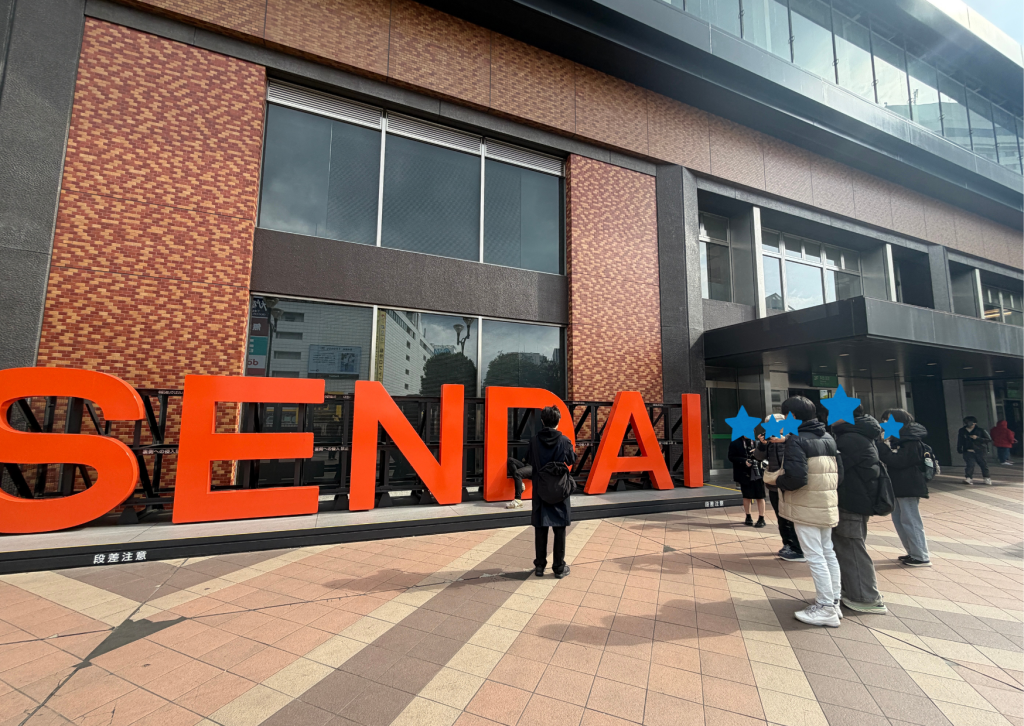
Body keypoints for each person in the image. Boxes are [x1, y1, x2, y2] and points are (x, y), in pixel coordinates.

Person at [777, 396, 844, 628]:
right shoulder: (828, 437)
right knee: (828, 552)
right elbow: (839, 474)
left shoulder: (796, 440)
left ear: (792, 416)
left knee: (815, 555)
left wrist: (778, 481)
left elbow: (796, 478)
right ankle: (834, 602)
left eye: (785, 415)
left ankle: (825, 608)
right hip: (827, 502)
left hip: (806, 504)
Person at [831, 406, 887, 614]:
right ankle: (854, 591)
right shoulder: (858, 434)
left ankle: (866, 597)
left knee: (851, 547)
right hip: (857, 499)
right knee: (848, 545)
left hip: (852, 500)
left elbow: (836, 470)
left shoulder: (850, 439)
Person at [525, 406, 577, 578]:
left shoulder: (534, 441)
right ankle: (559, 568)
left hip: (540, 489)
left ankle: (540, 566)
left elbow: (530, 460)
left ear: (542, 421)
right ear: (558, 421)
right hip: (559, 489)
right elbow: (571, 460)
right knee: (559, 529)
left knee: (541, 527)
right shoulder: (564, 441)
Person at [878, 409, 931, 567]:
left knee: (910, 520)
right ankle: (912, 552)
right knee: (899, 520)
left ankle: (921, 556)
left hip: (908, 485)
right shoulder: (898, 439)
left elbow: (899, 461)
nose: (885, 423)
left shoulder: (911, 440)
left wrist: (882, 447)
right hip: (897, 485)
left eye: (888, 420)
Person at [757, 415, 805, 562]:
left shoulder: (792, 438)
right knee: (781, 517)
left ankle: (798, 548)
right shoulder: (769, 441)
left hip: (789, 484)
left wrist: (784, 440)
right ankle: (788, 545)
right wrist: (762, 444)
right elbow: (758, 457)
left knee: (792, 517)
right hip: (773, 484)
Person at [729, 434, 766, 527]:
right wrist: (744, 461)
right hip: (744, 473)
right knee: (747, 496)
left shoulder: (758, 442)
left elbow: (765, 455)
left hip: (758, 472)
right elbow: (731, 457)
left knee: (760, 496)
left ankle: (761, 518)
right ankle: (748, 516)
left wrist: (757, 453)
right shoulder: (735, 443)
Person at [957, 416, 993, 485]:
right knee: (970, 464)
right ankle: (968, 478)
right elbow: (960, 440)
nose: (969, 424)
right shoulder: (962, 430)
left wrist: (977, 438)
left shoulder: (980, 430)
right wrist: (959, 448)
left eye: (971, 423)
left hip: (980, 450)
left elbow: (988, 439)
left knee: (983, 464)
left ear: (975, 423)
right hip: (968, 450)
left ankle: (986, 478)